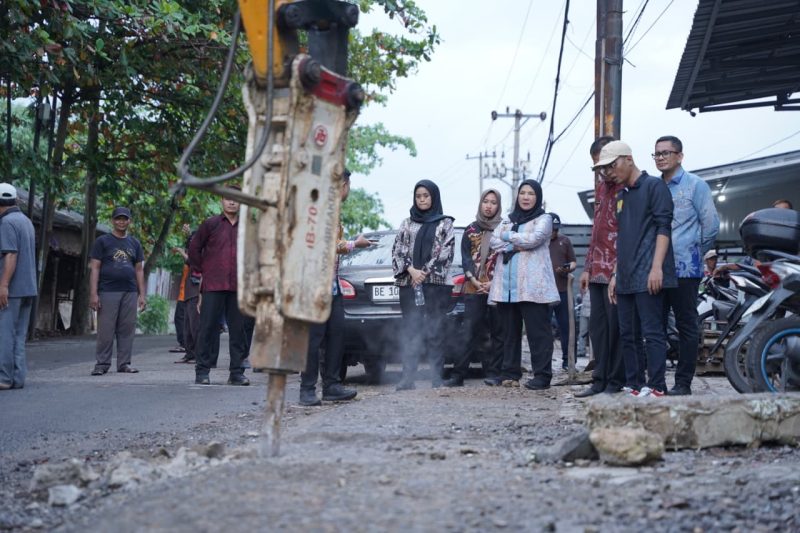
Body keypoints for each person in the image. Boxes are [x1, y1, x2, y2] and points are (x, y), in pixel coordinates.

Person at [595, 140, 677, 397]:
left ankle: (657, 386)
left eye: (612, 165)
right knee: (627, 333)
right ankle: (634, 383)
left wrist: (657, 268)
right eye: (604, 169)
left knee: (652, 332)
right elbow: (624, 238)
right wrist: (615, 275)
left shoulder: (655, 186)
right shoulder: (622, 195)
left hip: (649, 272)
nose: (609, 172)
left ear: (628, 159)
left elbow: (664, 228)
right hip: (626, 274)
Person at [653, 135, 720, 396]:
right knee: (654, 327)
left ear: (680, 156)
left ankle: (683, 384)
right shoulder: (653, 187)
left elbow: (711, 226)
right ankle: (656, 383)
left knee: (687, 326)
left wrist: (694, 252)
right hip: (656, 269)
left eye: (666, 153)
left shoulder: (696, 186)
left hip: (685, 270)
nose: (661, 157)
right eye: (657, 153)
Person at [300, 169, 369, 406]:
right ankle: (307, 389)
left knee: (336, 334)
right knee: (313, 337)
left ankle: (331, 385)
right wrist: (354, 244)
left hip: (332, 284)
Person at [489, 180, 560, 391]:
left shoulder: (544, 219)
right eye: (523, 193)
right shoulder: (506, 219)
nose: (526, 197)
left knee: (538, 333)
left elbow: (535, 239)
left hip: (532, 286)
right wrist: (516, 242)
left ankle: (542, 375)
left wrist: (508, 238)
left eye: (531, 193)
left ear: (537, 196)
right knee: (509, 332)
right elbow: (493, 241)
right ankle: (509, 373)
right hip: (507, 286)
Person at [575, 136, 626, 398]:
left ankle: (615, 382)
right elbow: (597, 230)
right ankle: (599, 379)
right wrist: (586, 267)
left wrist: (618, 269)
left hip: (617, 271)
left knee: (616, 328)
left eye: (605, 165)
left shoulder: (627, 188)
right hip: (596, 270)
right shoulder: (601, 188)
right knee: (598, 328)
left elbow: (627, 234)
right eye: (597, 165)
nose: (602, 171)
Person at [392, 180, 455, 390]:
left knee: (435, 331)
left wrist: (424, 273)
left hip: (434, 286)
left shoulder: (445, 224)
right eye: (418, 196)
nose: (422, 199)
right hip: (409, 285)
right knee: (411, 330)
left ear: (434, 197)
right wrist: (411, 270)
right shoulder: (406, 223)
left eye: (426, 196)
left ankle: (437, 378)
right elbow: (397, 250)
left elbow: (445, 253)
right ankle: (407, 378)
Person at [444, 189, 506, 387]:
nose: (488, 205)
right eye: (485, 201)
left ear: (498, 206)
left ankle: (496, 373)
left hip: (498, 288)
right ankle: (458, 375)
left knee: (498, 332)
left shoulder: (504, 229)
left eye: (493, 202)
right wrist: (474, 279)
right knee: (468, 332)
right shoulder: (470, 230)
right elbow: (466, 258)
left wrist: (493, 282)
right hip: (473, 287)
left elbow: (507, 259)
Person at [189, 193, 249, 386]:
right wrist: (201, 269)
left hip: (239, 286)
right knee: (207, 328)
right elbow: (194, 247)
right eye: (227, 198)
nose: (232, 201)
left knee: (239, 330)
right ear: (221, 201)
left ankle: (237, 373)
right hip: (214, 284)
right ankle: (202, 371)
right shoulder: (211, 224)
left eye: (236, 198)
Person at [89, 207, 147, 375]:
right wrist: (93, 293)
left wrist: (142, 294)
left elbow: (139, 270)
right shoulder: (102, 241)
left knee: (127, 329)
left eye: (125, 219)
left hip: (130, 291)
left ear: (129, 221)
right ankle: (102, 364)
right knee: (105, 330)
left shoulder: (135, 243)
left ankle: (124, 363)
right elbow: (95, 268)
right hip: (107, 291)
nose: (121, 221)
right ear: (112, 221)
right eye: (118, 219)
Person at [0, 183, 37, 390]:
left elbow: (11, 254)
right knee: (19, 335)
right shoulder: (26, 221)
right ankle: (17, 377)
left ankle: (4, 378)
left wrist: (3, 285)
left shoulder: (6, 223)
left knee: (5, 333)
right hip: (28, 287)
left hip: (12, 289)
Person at [548, 212, 577, 370]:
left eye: (556, 228)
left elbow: (573, 262)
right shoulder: (540, 242)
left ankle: (568, 361)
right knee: (545, 329)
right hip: (544, 293)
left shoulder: (564, 241)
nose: (554, 231)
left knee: (566, 327)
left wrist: (567, 268)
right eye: (551, 228)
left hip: (563, 290)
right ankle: (545, 362)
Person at [170, 224, 191, 355]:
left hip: (188, 294)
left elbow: (191, 261)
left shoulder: (194, 257)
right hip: (183, 293)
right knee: (179, 319)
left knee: (182, 319)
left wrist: (180, 251)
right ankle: (183, 343)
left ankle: (185, 344)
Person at [576, 290, 591, 359]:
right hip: (584, 311)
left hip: (593, 311)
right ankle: (581, 351)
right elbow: (581, 294)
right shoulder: (584, 283)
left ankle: (593, 352)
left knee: (594, 333)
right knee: (582, 333)